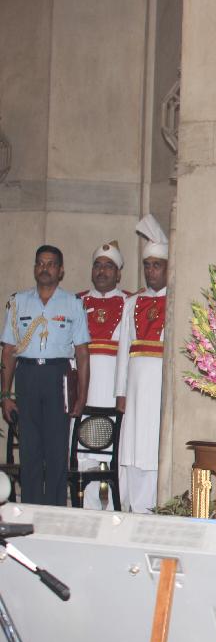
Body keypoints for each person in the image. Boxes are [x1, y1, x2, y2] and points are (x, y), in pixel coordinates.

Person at [1, 245, 90, 505]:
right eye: (40, 263)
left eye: (51, 264)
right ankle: (30, 509)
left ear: (60, 271)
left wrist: (82, 396)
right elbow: (8, 352)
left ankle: (54, 511)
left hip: (57, 377)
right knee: (29, 450)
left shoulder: (73, 304)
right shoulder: (18, 302)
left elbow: (82, 354)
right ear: (34, 268)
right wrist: (5, 395)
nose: (45, 268)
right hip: (27, 375)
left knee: (56, 450)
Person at [115, 217, 169, 513]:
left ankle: (153, 505)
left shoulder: (174, 301)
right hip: (135, 387)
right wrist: (120, 391)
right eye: (147, 265)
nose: (151, 271)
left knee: (151, 443)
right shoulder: (132, 303)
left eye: (156, 265)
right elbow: (124, 349)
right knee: (133, 444)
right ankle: (132, 504)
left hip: (158, 384)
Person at [78, 241, 130, 509]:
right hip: (84, 395)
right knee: (82, 456)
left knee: (116, 457)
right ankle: (87, 514)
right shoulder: (77, 301)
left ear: (118, 273)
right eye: (97, 265)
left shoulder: (130, 302)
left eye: (109, 266)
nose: (102, 271)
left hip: (114, 395)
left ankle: (114, 514)